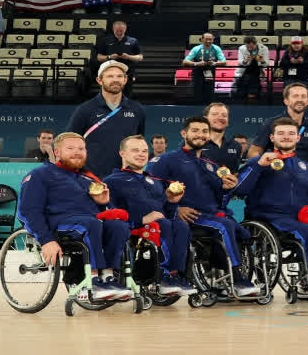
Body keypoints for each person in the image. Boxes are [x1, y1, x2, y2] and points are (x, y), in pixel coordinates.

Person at [146, 117, 258, 297]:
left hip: (210, 215)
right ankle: (237, 279)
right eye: (195, 131)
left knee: (239, 229)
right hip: (186, 216)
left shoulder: (212, 166)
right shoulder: (166, 160)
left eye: (204, 131)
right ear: (184, 133)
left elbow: (219, 198)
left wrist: (227, 189)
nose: (200, 135)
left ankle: (221, 276)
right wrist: (176, 209)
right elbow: (152, 189)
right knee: (225, 226)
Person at [16, 132, 132, 301]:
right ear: (57, 152)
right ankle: (93, 279)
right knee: (90, 224)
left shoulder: (89, 178)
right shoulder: (40, 174)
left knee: (118, 226)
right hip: (58, 224)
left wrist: (103, 203)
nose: (77, 152)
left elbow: (106, 212)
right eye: (70, 148)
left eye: (81, 148)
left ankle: (108, 277)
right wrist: (46, 240)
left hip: (89, 223)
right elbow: (27, 211)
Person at [233, 117, 308, 289]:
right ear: (272, 138)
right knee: (304, 230)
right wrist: (259, 166)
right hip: (268, 216)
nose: (286, 137)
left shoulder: (305, 167)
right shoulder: (258, 162)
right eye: (281, 133)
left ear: (298, 138)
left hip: (297, 217)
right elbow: (240, 190)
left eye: (291, 133)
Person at [104, 135, 196, 296]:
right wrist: (141, 220)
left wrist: (172, 201)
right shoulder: (111, 181)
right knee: (164, 225)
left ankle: (177, 275)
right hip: (134, 228)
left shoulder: (155, 181)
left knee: (181, 225)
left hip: (160, 226)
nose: (141, 154)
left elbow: (167, 214)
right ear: (122, 154)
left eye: (144, 151)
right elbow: (111, 214)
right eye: (135, 150)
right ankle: (164, 276)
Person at [66, 60, 147, 177]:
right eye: (110, 76)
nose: (115, 79)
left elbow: (138, 143)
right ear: (99, 80)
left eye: (119, 76)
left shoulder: (137, 110)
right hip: (92, 179)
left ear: (125, 80)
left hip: (126, 178)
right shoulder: (85, 110)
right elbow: (69, 143)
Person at [247, 83, 308, 179]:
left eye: (303, 96)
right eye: (295, 96)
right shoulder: (272, 123)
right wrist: (261, 170)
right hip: (274, 177)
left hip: (302, 180)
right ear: (286, 101)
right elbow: (253, 152)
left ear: (307, 101)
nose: (300, 100)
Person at [96, 21, 143, 95]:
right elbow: (99, 57)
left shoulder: (133, 41)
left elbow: (140, 57)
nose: (119, 32)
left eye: (121, 30)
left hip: (127, 73)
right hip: (109, 72)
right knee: (109, 94)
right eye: (117, 30)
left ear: (125, 29)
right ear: (113, 29)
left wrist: (128, 57)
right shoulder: (105, 41)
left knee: (126, 95)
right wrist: (109, 57)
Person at [182, 33, 227, 105]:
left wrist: (214, 63)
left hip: (210, 71)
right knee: (197, 91)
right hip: (198, 71)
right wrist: (196, 64)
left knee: (210, 92)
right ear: (202, 39)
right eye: (206, 39)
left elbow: (224, 62)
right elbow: (185, 62)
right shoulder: (196, 49)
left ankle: (210, 109)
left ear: (213, 40)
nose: (208, 41)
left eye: (210, 39)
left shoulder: (216, 48)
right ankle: (197, 108)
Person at [200, 102, 245, 170]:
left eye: (224, 115)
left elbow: (235, 172)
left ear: (227, 121)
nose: (220, 118)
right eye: (215, 114)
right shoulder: (194, 143)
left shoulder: (236, 146)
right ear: (205, 119)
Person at [233, 36, 269, 102]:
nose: (249, 48)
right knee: (240, 95)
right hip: (243, 73)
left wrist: (262, 60)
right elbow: (240, 61)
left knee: (252, 96)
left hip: (256, 74)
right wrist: (245, 60)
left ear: (255, 44)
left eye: (251, 47)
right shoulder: (241, 48)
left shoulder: (264, 48)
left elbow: (266, 64)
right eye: (247, 47)